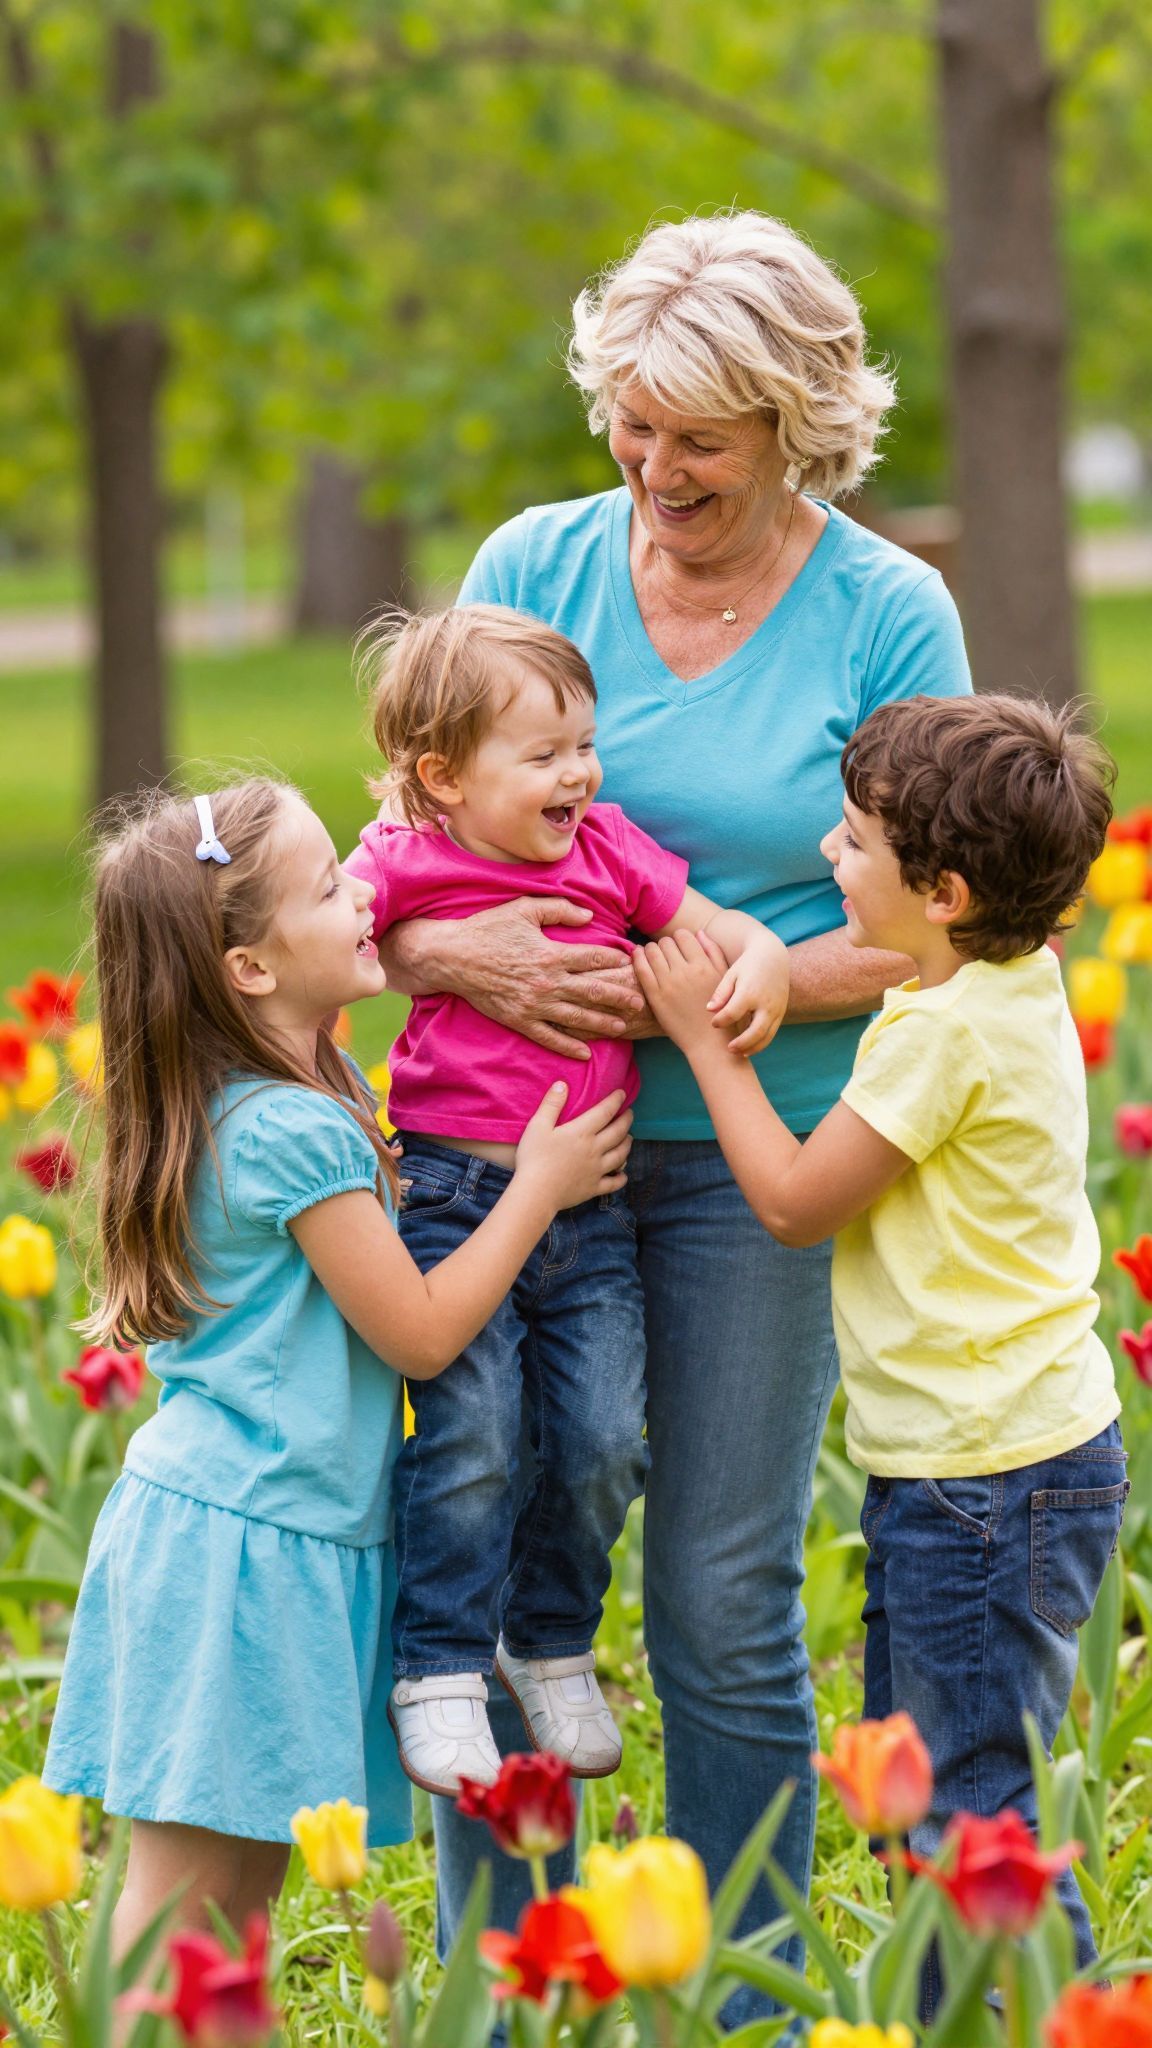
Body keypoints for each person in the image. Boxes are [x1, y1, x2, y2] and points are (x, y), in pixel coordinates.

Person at [373, 208, 972, 1997]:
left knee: (718, 1591)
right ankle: (516, 1980)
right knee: (476, 1538)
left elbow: (951, 924)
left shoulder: (883, 609)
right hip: (504, 1160)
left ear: (795, 419)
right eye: (629, 422)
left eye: (694, 435)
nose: (651, 467)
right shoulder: (533, 565)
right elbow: (387, 857)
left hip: (743, 1158)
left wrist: (772, 974)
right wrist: (458, 965)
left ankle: (758, 1988)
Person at [42, 778, 633, 1958]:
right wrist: (536, 1185)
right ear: (251, 968)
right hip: (245, 1551)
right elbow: (418, 1332)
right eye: (329, 887)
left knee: (224, 1901)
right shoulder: (294, 1132)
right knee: (184, 1911)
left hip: (248, 1530)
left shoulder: (274, 1099)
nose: (368, 892)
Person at [634, 692, 1128, 2015]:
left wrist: (700, 1040)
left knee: (974, 1813)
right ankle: (961, 2017)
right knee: (939, 1787)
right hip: (1018, 1456)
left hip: (981, 1480)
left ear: (947, 892)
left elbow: (796, 1201)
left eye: (852, 842)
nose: (827, 855)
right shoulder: (1002, 987)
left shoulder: (940, 1035)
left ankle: (1067, 2021)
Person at [347, 602, 789, 1797]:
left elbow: (713, 926)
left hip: (590, 1202)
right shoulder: (400, 857)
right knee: (474, 1433)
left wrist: (758, 964)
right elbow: (318, 944)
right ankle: (437, 1664)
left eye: (584, 744)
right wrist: (429, 945)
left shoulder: (610, 849)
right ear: (441, 776)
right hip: (452, 1193)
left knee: (601, 1436)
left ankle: (547, 1637)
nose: (579, 772)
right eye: (543, 754)